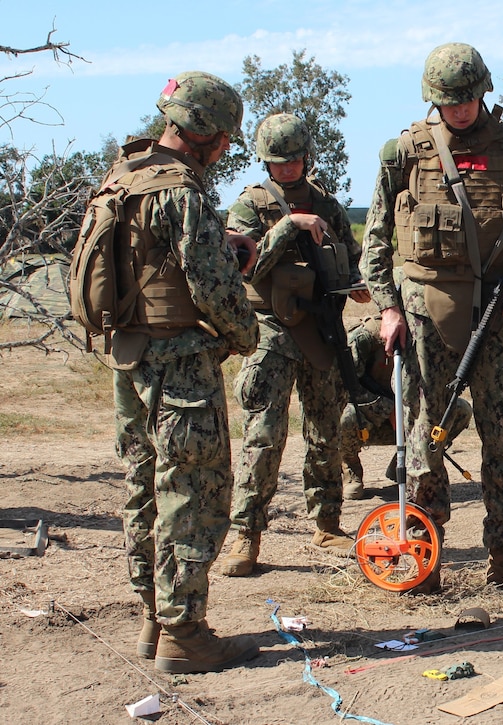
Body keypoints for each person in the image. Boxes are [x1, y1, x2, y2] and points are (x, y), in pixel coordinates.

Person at [363, 42, 503, 594]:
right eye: (451, 102)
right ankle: (426, 554)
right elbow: (376, 239)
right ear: (434, 100)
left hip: (497, 313)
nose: (462, 110)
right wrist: (388, 305)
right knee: (427, 434)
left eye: (470, 99)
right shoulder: (403, 154)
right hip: (425, 314)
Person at [112, 71, 260, 673]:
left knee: (145, 488)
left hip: (129, 359)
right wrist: (243, 336)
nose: (224, 150)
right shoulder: (183, 191)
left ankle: (153, 617)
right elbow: (215, 288)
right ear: (205, 133)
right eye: (224, 139)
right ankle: (185, 633)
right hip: (180, 369)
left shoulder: (124, 177)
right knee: (193, 493)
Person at [219, 113, 368, 577]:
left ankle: (327, 523)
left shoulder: (328, 202)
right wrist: (290, 226)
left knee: (326, 430)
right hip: (274, 333)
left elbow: (352, 254)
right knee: (264, 436)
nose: (288, 169)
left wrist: (358, 283)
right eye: (278, 162)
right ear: (265, 161)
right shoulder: (250, 206)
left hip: (323, 331)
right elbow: (242, 265)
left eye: (295, 160)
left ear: (307, 156)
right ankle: (247, 535)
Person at [339, 313, 472, 498]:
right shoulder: (366, 337)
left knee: (460, 410)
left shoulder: (428, 334)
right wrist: (388, 409)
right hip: (370, 423)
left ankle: (410, 463)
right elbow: (346, 387)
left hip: (412, 418)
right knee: (346, 416)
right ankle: (351, 470)